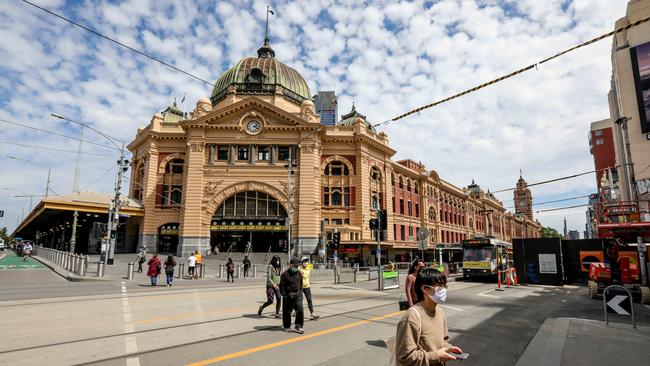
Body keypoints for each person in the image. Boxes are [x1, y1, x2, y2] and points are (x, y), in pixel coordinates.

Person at [394, 268, 463, 365]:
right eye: (439, 286)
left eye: (444, 285)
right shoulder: (411, 317)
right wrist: (436, 356)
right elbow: (404, 357)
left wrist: (448, 347)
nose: (443, 289)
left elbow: (442, 341)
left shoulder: (440, 312)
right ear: (425, 289)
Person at [280, 258, 304, 333]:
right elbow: (281, 286)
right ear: (290, 265)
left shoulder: (299, 273)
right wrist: (284, 294)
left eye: (297, 267)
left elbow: (301, 284)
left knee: (300, 311)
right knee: (287, 312)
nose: (296, 268)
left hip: (297, 295)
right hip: (288, 296)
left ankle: (298, 326)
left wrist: (300, 293)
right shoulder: (284, 274)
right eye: (295, 266)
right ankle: (287, 326)